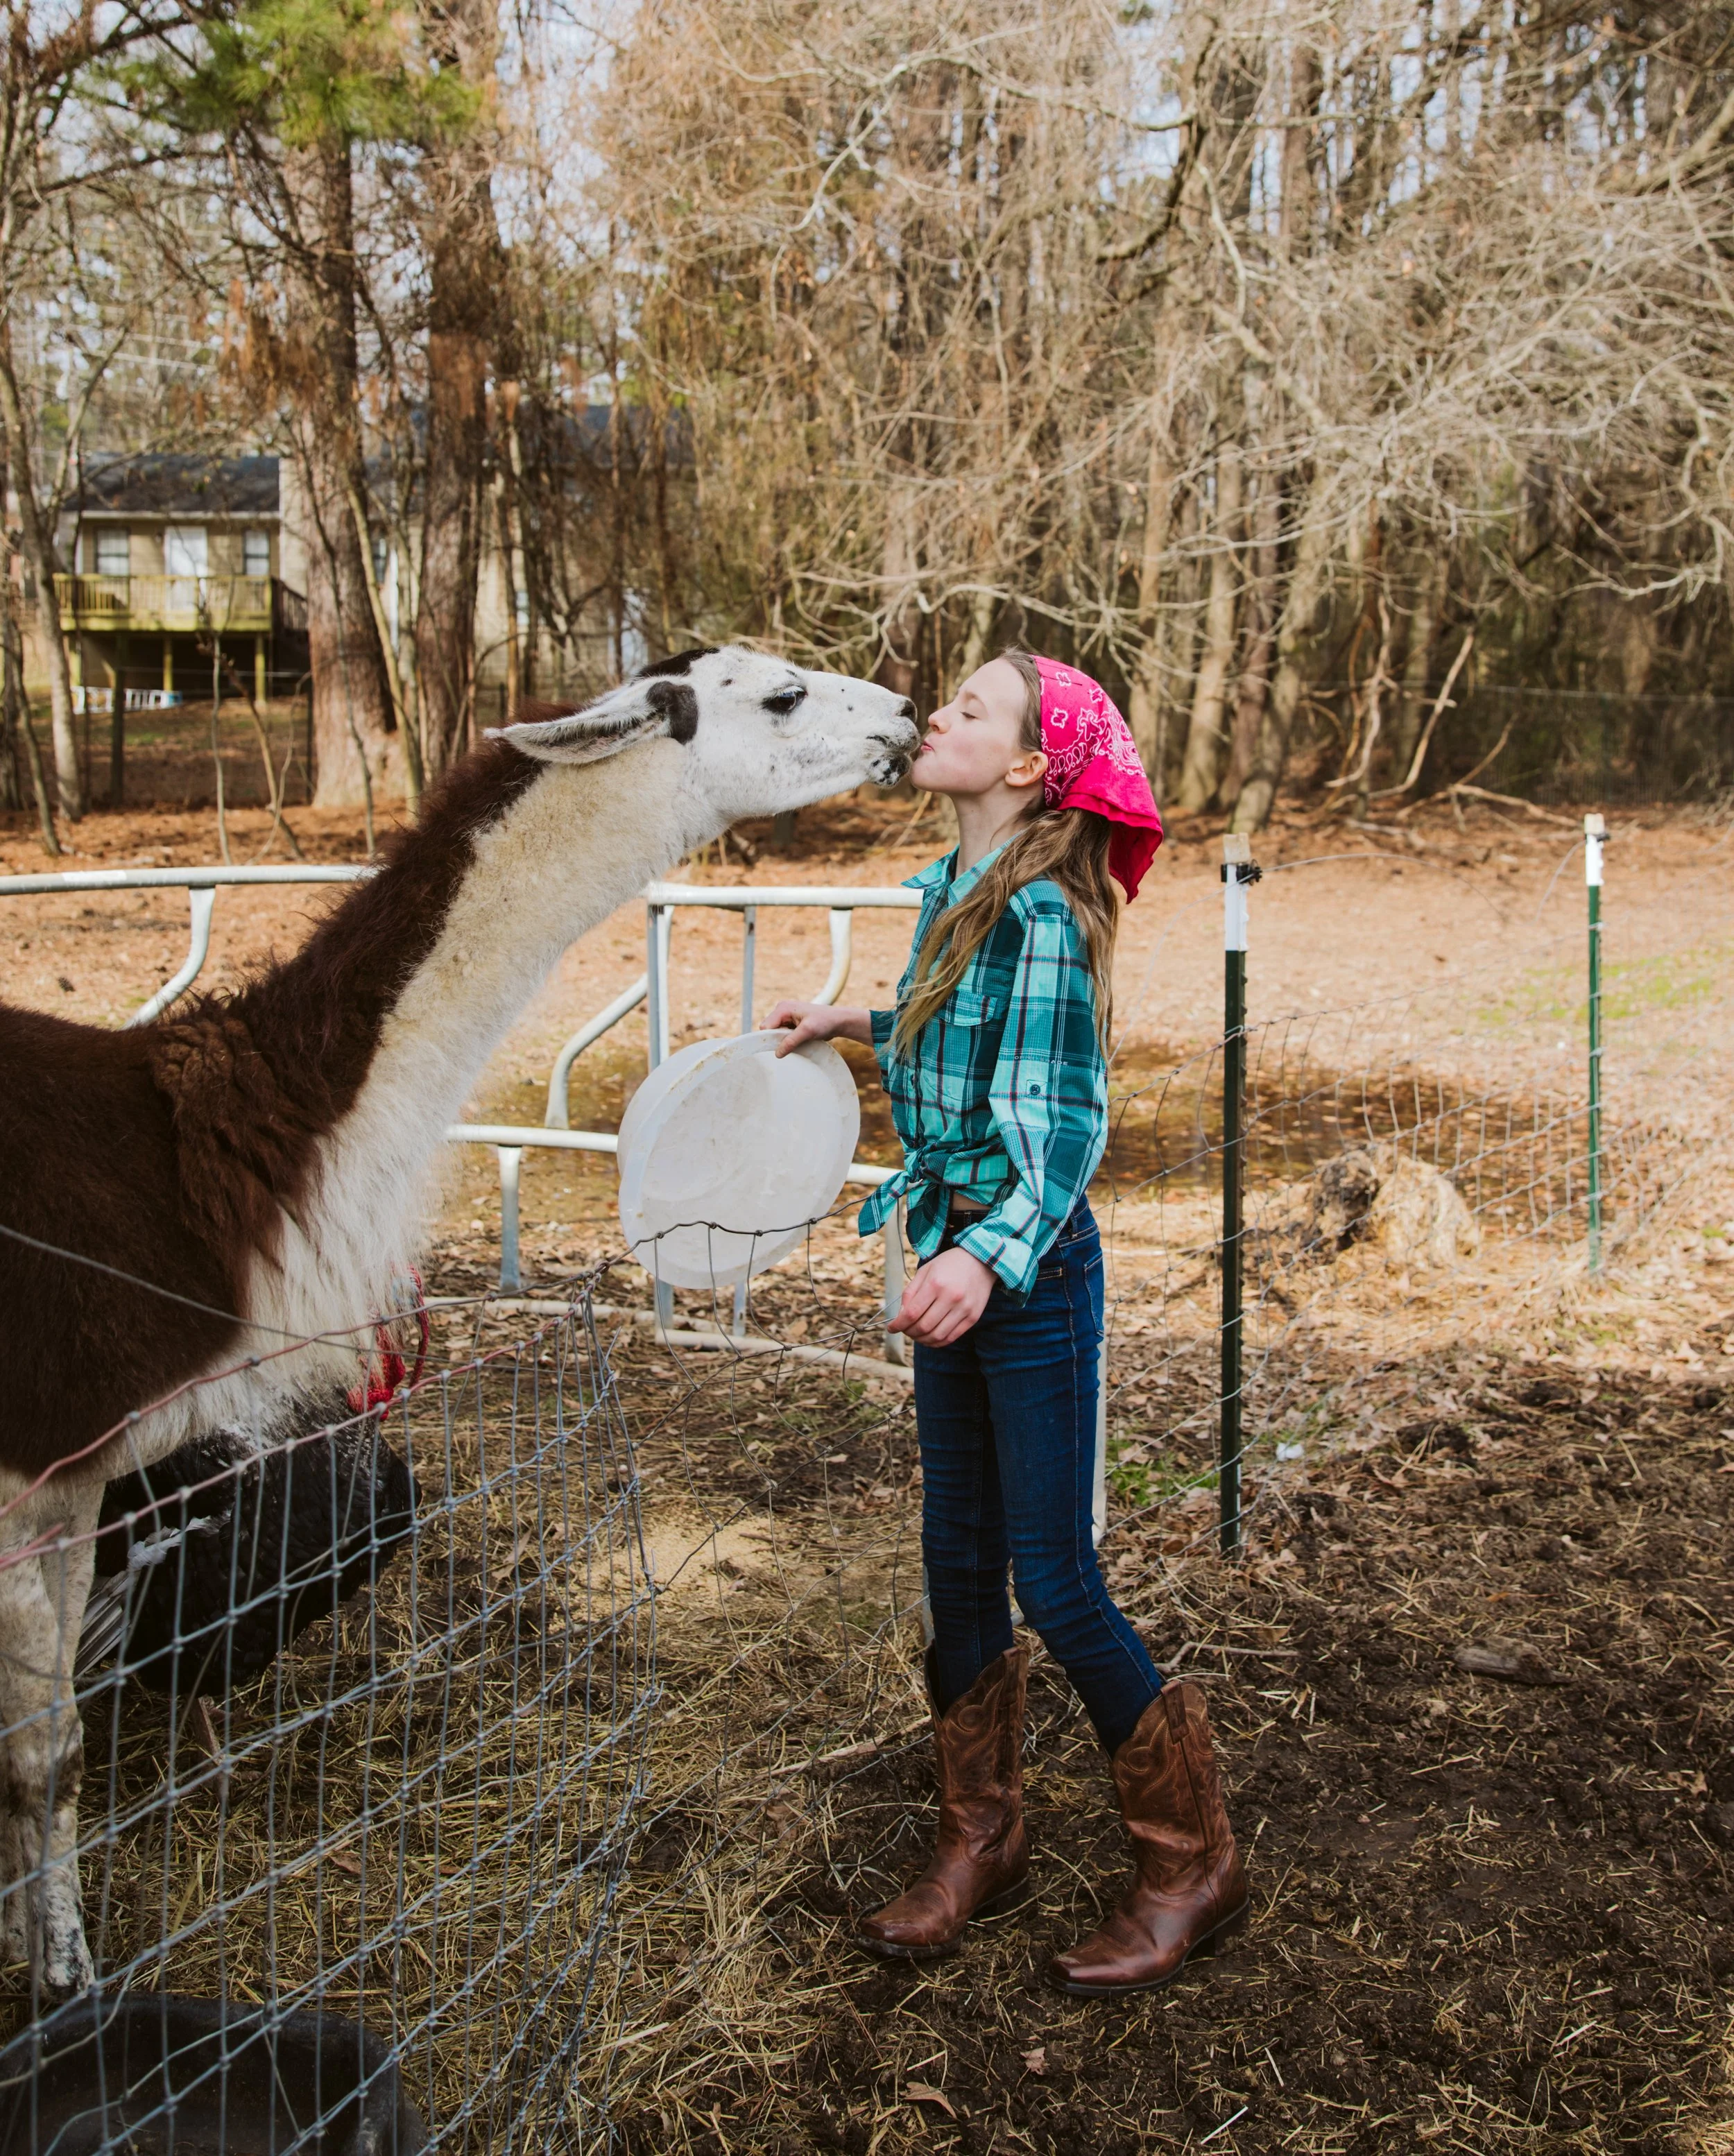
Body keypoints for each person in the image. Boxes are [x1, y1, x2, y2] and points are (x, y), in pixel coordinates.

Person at [767, 651, 1247, 1997]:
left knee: (1054, 1579)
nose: (937, 716)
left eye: (969, 711)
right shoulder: (953, 894)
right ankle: (983, 1838)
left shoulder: (1037, 913)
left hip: (1022, 1281)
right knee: (956, 1564)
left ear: (1032, 768)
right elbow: (958, 1042)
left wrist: (982, 1260)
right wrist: (853, 1020)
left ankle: (1189, 1858)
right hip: (959, 1269)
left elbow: (1061, 1124)